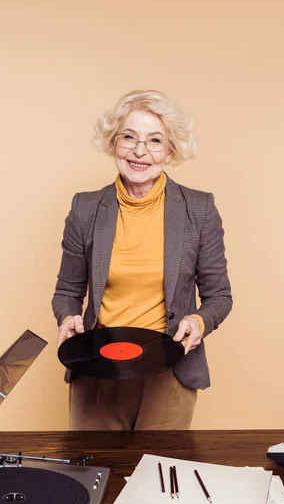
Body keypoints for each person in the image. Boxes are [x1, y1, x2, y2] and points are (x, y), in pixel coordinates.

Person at [52, 90, 232, 430]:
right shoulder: (85, 209)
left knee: (161, 479)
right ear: (113, 143)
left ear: (170, 149)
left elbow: (219, 296)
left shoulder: (199, 209)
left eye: (154, 140)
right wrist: (68, 317)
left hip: (170, 372)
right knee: (93, 477)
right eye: (129, 137)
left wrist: (198, 322)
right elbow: (67, 291)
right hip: (97, 371)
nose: (139, 151)